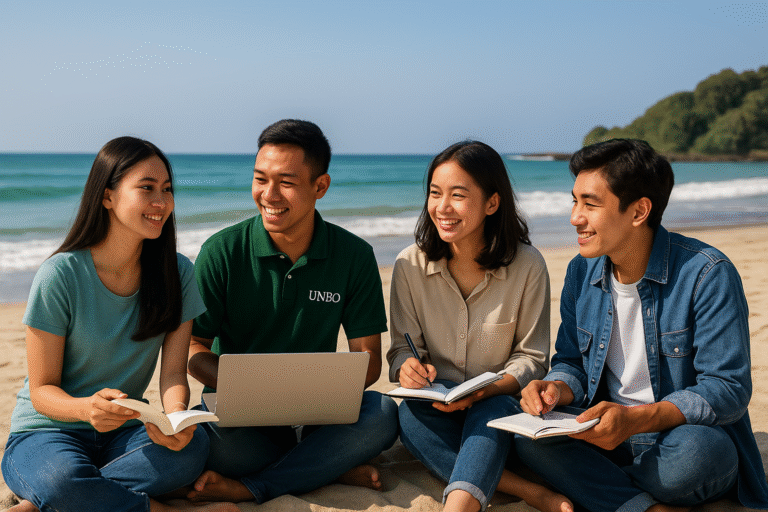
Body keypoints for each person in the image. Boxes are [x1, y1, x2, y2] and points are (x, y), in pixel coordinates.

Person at [516, 138, 768, 512]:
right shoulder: (579, 272)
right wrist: (554, 390)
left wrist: (635, 420)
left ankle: (597, 487)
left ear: (638, 211)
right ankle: (640, 503)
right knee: (518, 428)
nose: (575, 217)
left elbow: (727, 388)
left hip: (674, 438)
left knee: (700, 455)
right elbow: (570, 362)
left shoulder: (707, 273)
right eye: (574, 200)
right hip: (601, 432)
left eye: (590, 203)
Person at [1, 137, 238, 512]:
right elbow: (43, 390)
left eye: (167, 189)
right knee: (62, 479)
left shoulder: (177, 273)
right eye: (147, 188)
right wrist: (85, 409)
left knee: (192, 449)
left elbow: (174, 374)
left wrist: (175, 419)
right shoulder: (60, 274)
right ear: (107, 196)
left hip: (125, 431)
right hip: (48, 431)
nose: (161, 203)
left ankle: (61, 502)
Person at [184, 119, 398, 504]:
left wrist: (309, 393)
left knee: (383, 414)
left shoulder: (354, 256)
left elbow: (368, 362)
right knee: (210, 447)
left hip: (321, 414)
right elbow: (192, 347)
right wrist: (250, 388)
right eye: (260, 179)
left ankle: (261, 484)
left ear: (321, 187)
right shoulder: (221, 251)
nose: (269, 195)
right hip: (241, 418)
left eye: (286, 181)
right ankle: (325, 466)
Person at [387, 141, 573, 512]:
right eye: (435, 194)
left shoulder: (527, 265)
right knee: (407, 414)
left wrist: (484, 392)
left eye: (458, 195)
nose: (442, 207)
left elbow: (532, 358)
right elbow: (401, 349)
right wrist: (407, 368)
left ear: (492, 202)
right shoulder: (408, 265)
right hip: (437, 405)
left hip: (498, 404)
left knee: (492, 411)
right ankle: (527, 490)